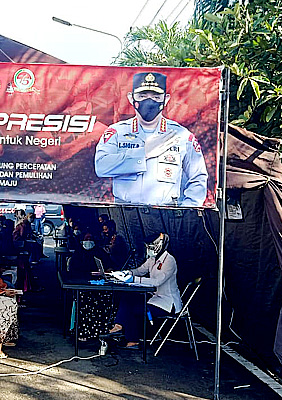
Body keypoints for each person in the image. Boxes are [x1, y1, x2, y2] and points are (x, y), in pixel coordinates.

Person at [94, 72, 208, 207]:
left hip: (167, 215)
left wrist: (187, 209)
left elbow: (198, 177)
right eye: (142, 96)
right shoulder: (117, 132)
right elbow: (101, 166)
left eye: (156, 96)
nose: (149, 102)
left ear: (165, 99)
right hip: (126, 214)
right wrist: (143, 153)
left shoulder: (182, 136)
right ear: (131, 98)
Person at [108, 233, 182, 349]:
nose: (148, 249)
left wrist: (134, 279)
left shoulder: (169, 261)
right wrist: (127, 273)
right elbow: (140, 270)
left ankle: (133, 341)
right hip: (155, 298)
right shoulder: (152, 259)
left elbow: (157, 281)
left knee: (132, 309)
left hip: (167, 303)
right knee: (127, 298)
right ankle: (118, 325)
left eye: (150, 247)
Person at [67, 234, 117, 341]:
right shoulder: (78, 254)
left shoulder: (100, 252)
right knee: (83, 299)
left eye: (91, 239)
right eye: (86, 239)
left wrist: (107, 271)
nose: (88, 241)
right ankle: (83, 331)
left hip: (98, 285)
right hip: (81, 284)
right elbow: (73, 270)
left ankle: (101, 330)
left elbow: (109, 266)